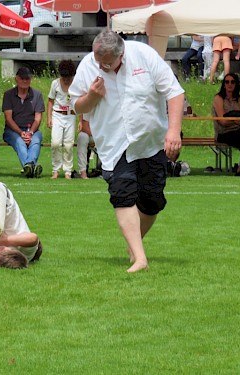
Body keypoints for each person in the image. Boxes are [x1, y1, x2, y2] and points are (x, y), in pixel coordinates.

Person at [69, 30, 184, 273]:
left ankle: (134, 245)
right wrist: (91, 96)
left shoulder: (144, 55)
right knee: (123, 193)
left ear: (122, 53)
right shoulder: (89, 65)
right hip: (113, 144)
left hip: (149, 142)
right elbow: (77, 106)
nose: (103, 67)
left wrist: (173, 132)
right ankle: (140, 258)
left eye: (108, 63)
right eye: (99, 62)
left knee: (152, 201)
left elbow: (174, 92)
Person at [2, 67, 45, 178]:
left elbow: (38, 118)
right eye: (22, 78)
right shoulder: (8, 95)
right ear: (16, 79)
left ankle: (28, 167)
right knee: (20, 142)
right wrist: (21, 133)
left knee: (35, 140)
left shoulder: (37, 94)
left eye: (27, 78)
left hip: (32, 129)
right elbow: (8, 118)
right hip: (12, 131)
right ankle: (31, 166)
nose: (25, 81)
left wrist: (30, 132)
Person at [47, 60, 77, 180]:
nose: (66, 80)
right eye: (64, 78)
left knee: (68, 145)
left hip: (71, 115)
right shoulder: (55, 84)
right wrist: (49, 118)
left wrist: (81, 119)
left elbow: (81, 101)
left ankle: (68, 171)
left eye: (68, 78)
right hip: (57, 115)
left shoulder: (76, 84)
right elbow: (50, 101)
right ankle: (55, 169)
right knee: (55, 143)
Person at [76, 115, 94, 180]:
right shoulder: (87, 108)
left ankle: (107, 170)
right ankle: (83, 171)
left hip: (102, 135)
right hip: (91, 134)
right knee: (82, 137)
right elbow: (84, 127)